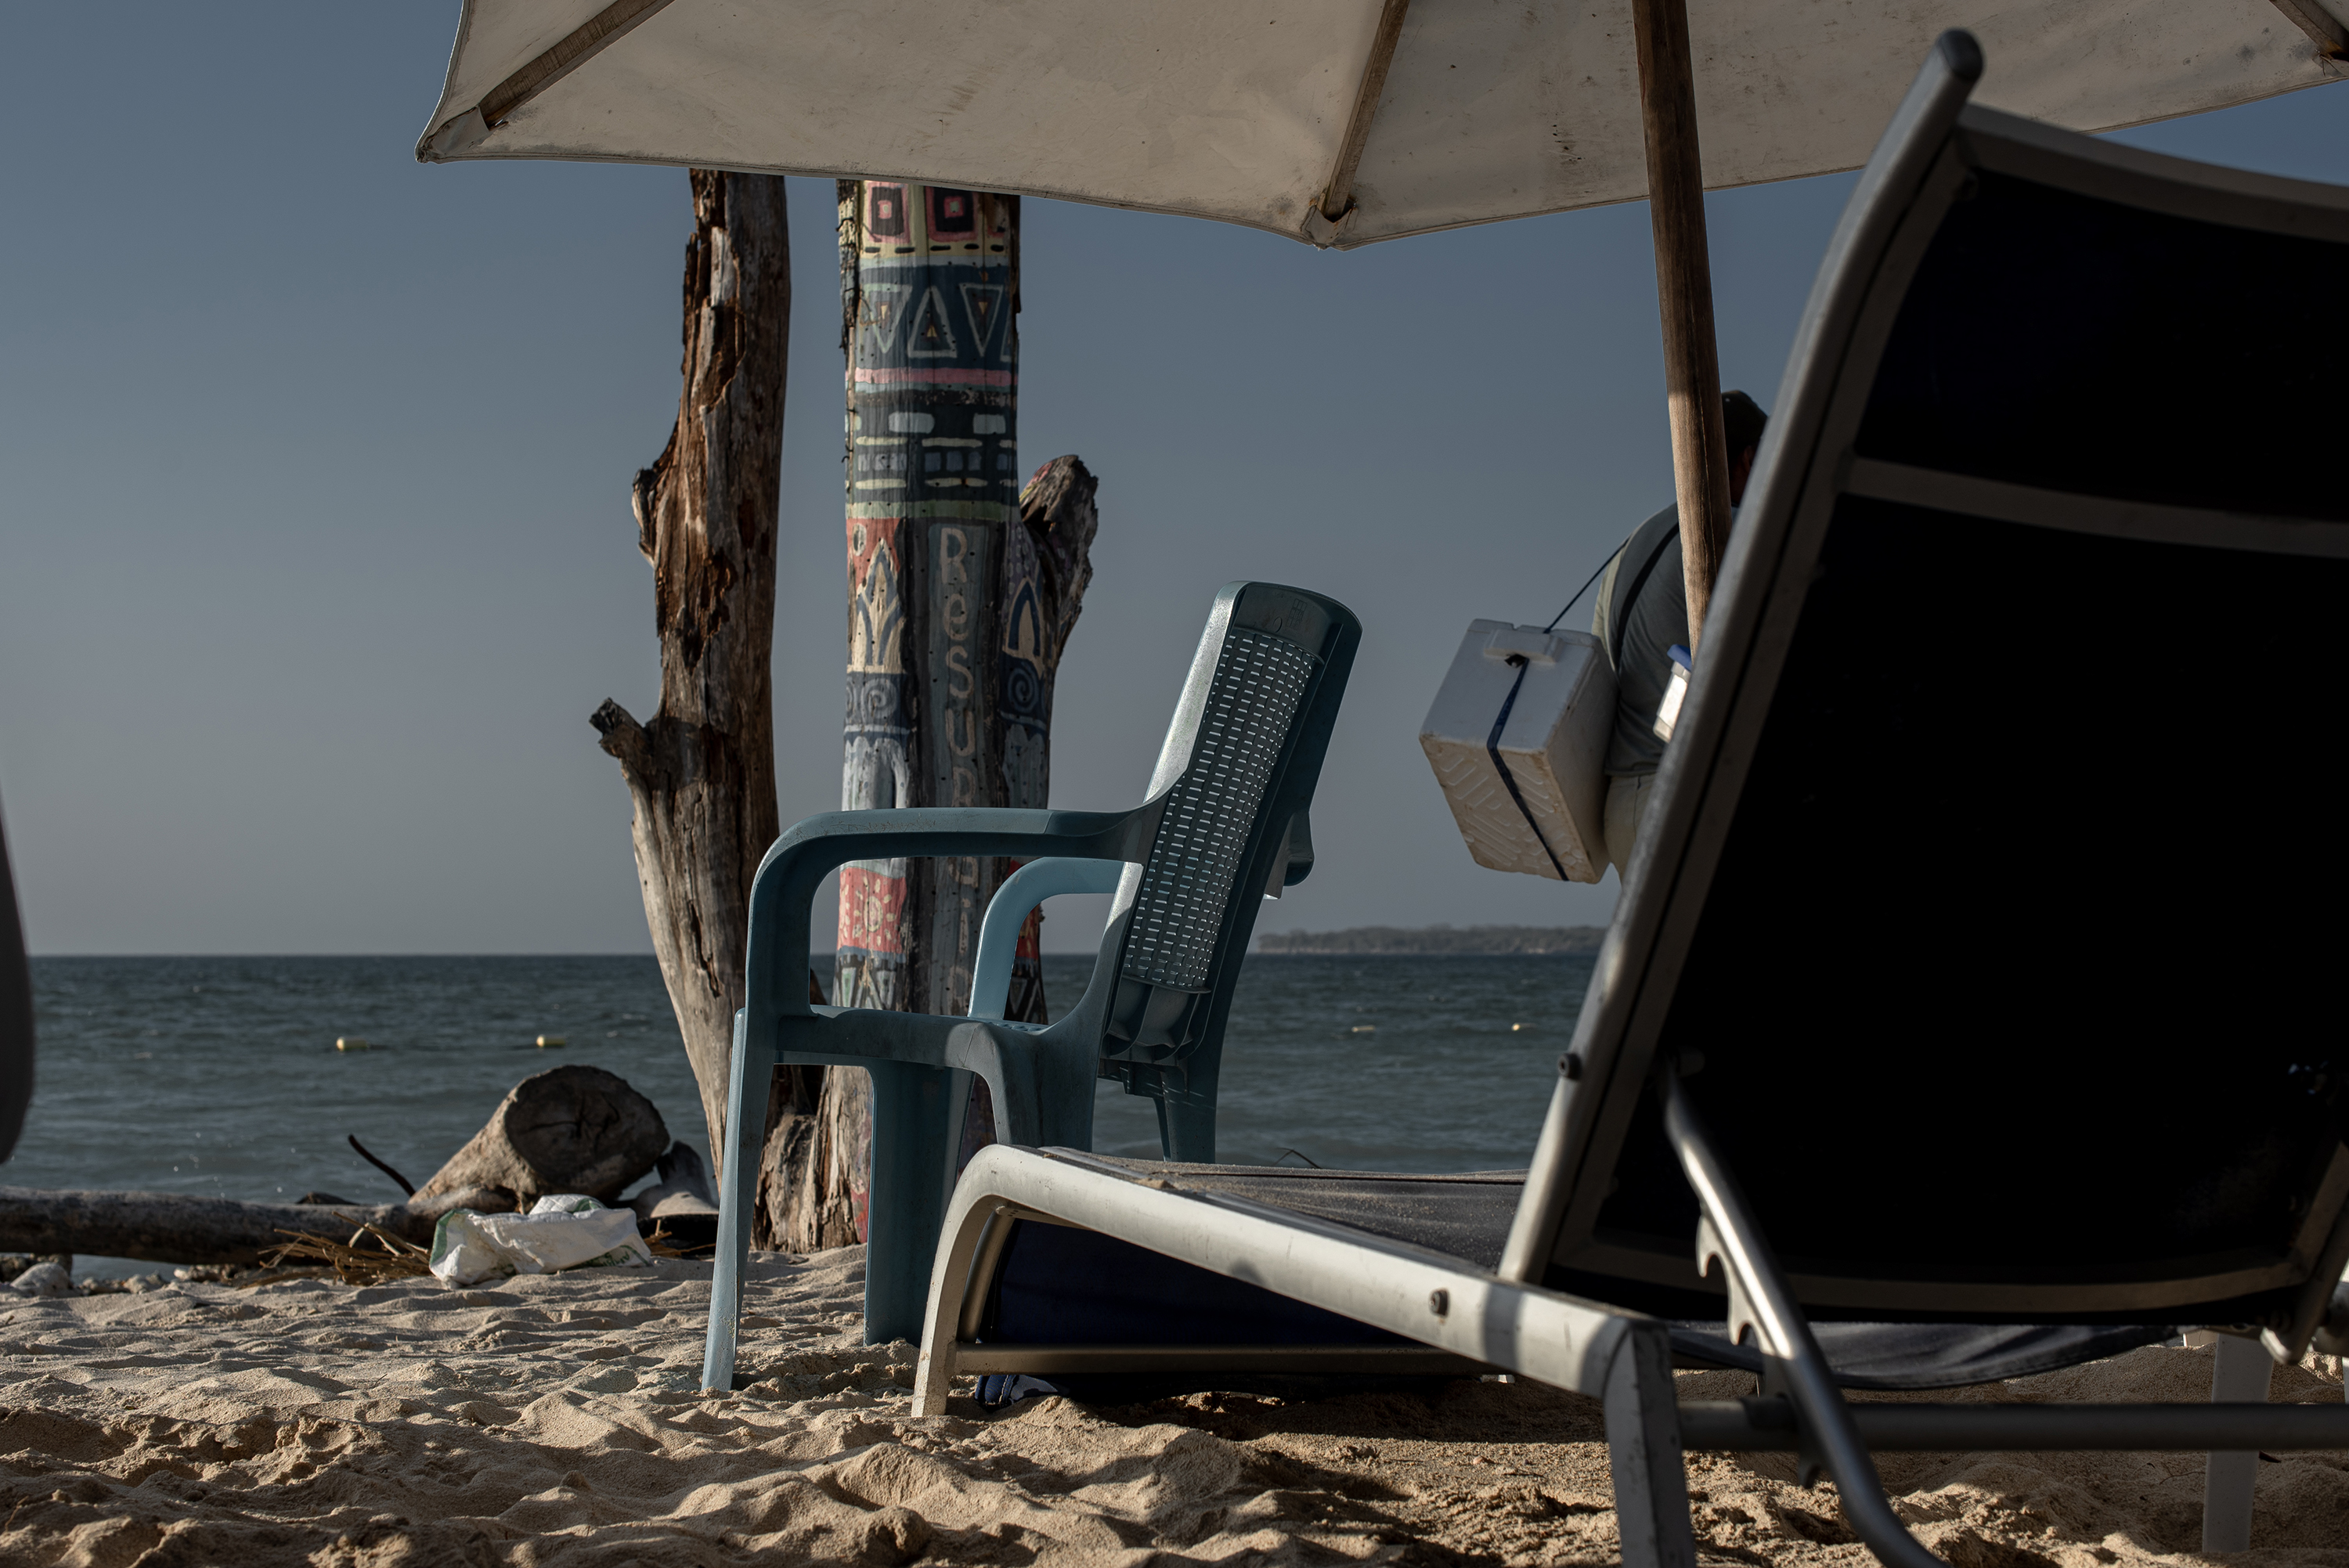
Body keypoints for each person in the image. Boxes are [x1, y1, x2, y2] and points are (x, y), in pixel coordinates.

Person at [1589, 390, 1769, 877]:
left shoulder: (1635, 542)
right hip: (1683, 796)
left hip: (1622, 810)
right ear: (1750, 458)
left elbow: (1602, 670)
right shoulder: (1732, 530)